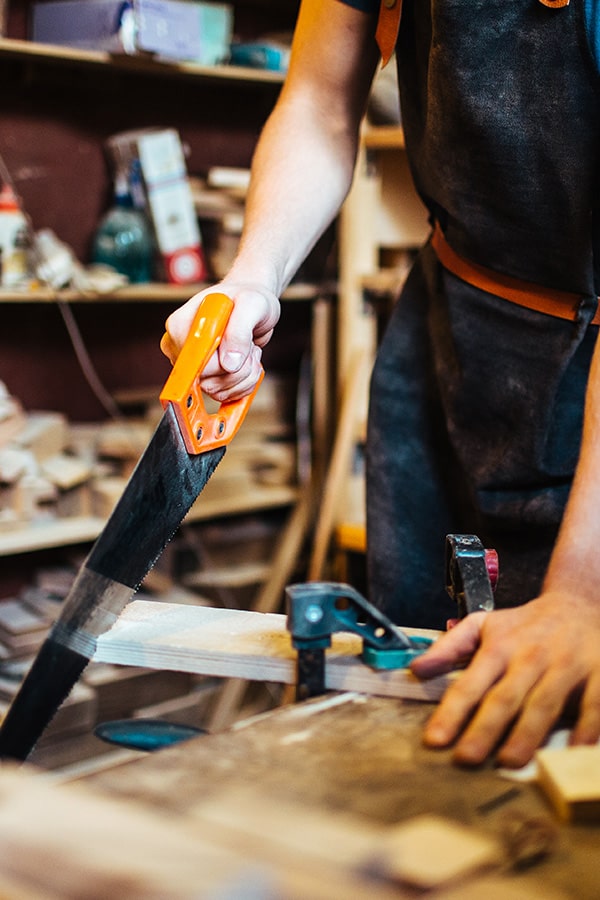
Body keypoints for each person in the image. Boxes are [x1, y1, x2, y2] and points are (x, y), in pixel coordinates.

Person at [162, 0, 600, 769]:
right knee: (409, 683)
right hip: (449, 334)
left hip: (583, 370)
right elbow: (319, 100)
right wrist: (253, 276)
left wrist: (583, 594)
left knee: (559, 736)